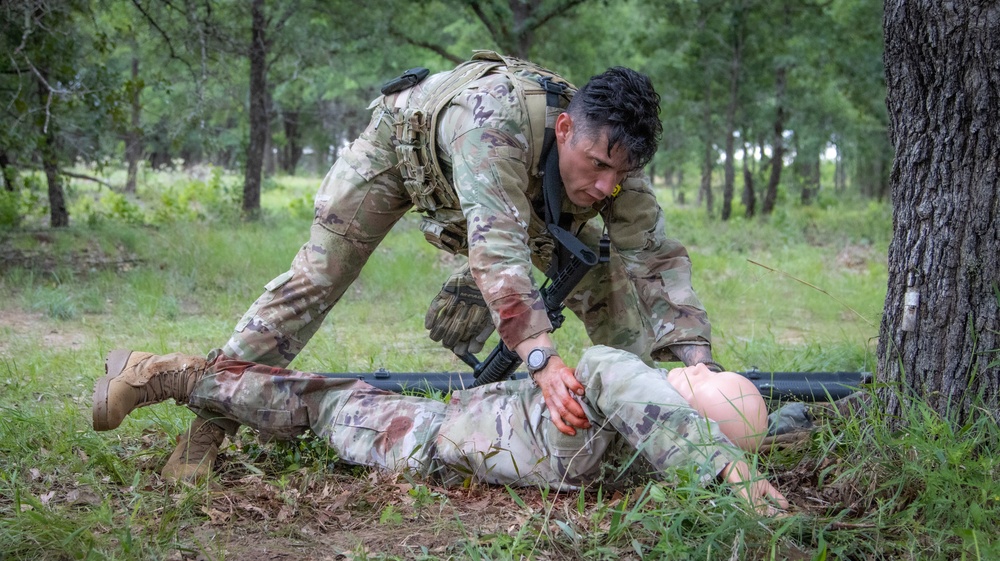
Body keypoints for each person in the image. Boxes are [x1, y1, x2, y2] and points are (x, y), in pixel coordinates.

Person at [165, 51, 722, 482]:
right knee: (317, 278)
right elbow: (498, 247)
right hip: (401, 152)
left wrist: (698, 364)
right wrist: (542, 361)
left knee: (608, 280)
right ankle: (206, 429)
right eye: (597, 166)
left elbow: (655, 257)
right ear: (564, 131)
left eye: (617, 177)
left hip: (512, 191)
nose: (605, 186)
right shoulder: (495, 124)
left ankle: (657, 426)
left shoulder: (615, 158)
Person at [92, 345, 787, 514]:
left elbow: (651, 401)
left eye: (701, 379)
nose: (692, 366)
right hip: (443, 427)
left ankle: (174, 378)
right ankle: (170, 376)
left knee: (319, 404)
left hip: (431, 441)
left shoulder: (638, 410)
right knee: (322, 402)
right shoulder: (628, 401)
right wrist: (742, 461)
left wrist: (741, 460)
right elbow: (642, 391)